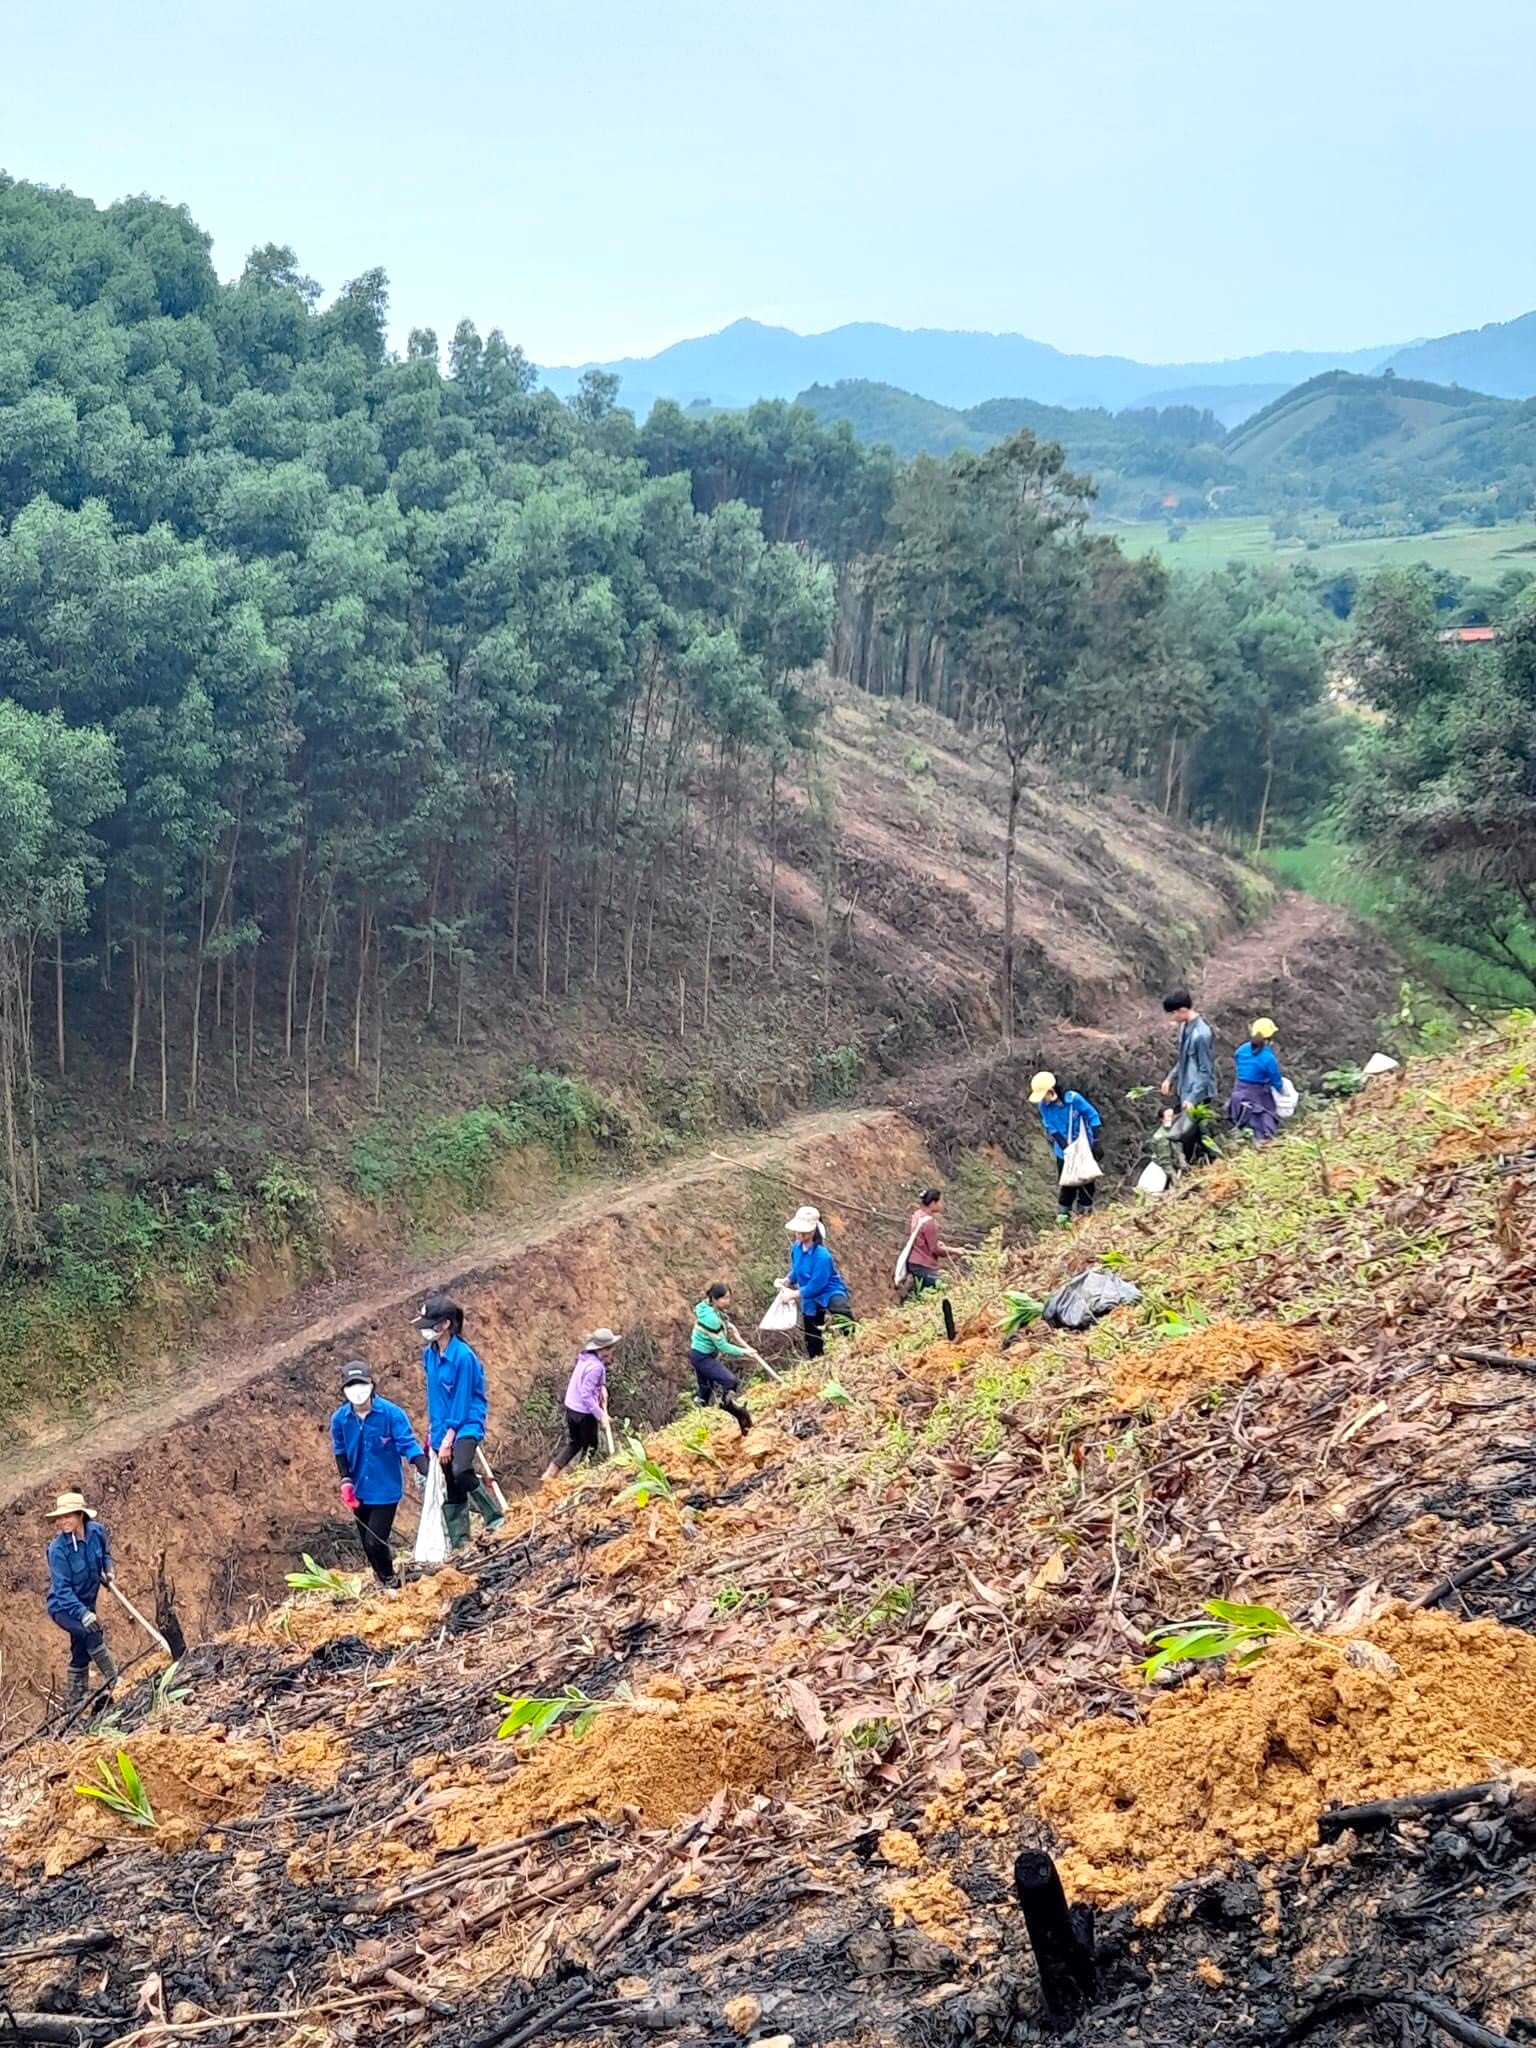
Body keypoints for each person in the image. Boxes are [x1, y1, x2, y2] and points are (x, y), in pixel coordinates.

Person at [330, 1362, 430, 1594]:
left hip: (386, 1490)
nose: (357, 1390)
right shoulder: (340, 1420)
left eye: (361, 1384)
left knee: (376, 1540)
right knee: (367, 1543)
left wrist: (426, 1468)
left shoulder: (391, 1414)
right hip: (359, 1489)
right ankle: (383, 1580)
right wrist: (345, 1479)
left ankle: (390, 1581)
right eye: (351, 1385)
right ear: (343, 1390)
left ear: (372, 1385)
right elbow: (340, 1450)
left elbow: (408, 1444)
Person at [416, 1294, 505, 1551]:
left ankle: (495, 1517)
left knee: (460, 1470)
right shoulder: (429, 1355)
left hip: (466, 1422)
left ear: (444, 1325)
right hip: (441, 1425)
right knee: (451, 1484)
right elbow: (435, 1395)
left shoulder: (463, 1357)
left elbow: (462, 1398)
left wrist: (449, 1437)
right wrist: (435, 1432)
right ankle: (460, 1541)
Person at [45, 1491, 118, 1705]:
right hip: (64, 1608)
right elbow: (62, 1590)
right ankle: (115, 1680)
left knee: (81, 1648)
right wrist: (83, 1613)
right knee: (93, 1632)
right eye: (59, 1518)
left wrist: (108, 1570)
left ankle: (76, 1700)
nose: (62, 1521)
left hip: (87, 1603)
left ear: (80, 1515)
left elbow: (105, 1554)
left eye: (67, 1516)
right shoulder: (57, 1550)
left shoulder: (97, 1532)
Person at [779, 1205, 855, 1360]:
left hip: (828, 1290)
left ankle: (856, 1342)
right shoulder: (796, 1249)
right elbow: (798, 1269)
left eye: (803, 1231)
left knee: (841, 1312)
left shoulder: (822, 1256)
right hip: (809, 1295)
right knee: (811, 1332)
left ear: (813, 1231)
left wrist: (793, 1294)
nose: (799, 1234)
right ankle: (817, 1360)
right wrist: (788, 1279)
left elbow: (817, 1285)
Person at [1029, 1072, 1103, 1226]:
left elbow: (1092, 1115)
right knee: (1067, 1184)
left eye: (1044, 1095)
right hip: (1064, 1152)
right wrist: (1068, 1149)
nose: (1044, 1099)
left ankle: (1085, 1217)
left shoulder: (1073, 1099)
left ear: (1051, 1090)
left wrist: (1096, 1141)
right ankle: (1064, 1218)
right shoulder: (1044, 1107)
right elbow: (1051, 1128)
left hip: (1084, 1148)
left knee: (1087, 1182)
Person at [544, 1329, 619, 1476]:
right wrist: (601, 1415)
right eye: (609, 1348)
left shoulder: (585, 1358)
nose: (611, 1351)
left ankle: (550, 1473)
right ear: (602, 1350)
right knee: (591, 1446)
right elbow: (586, 1395)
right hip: (584, 1413)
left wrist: (602, 1387)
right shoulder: (596, 1367)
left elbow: (593, 1381)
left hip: (571, 1408)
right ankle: (581, 1475)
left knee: (575, 1442)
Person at [1161, 990, 1216, 1166]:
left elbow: (1205, 1071)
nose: (1173, 1017)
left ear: (1183, 1010)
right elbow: (1183, 1059)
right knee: (1191, 1135)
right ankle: (1200, 1166)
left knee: (1190, 1136)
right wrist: (1170, 1078)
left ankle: (1204, 1166)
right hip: (1186, 1090)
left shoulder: (1201, 1034)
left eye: (1174, 1013)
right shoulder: (1185, 1027)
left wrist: (1192, 1098)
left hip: (1198, 1093)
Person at [689, 1284, 753, 1434]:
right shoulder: (711, 1319)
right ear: (714, 1299)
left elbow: (720, 1319)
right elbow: (723, 1346)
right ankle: (728, 1406)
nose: (728, 1301)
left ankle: (702, 1426)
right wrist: (745, 1352)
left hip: (702, 1354)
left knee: (704, 1393)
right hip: (701, 1357)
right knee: (730, 1381)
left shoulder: (705, 1306)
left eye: (729, 1297)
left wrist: (728, 1325)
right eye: (724, 1298)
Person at [1227, 1016, 1286, 1144]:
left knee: (1243, 1127)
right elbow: (1276, 1082)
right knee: (1263, 1128)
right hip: (1258, 1096)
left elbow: (1239, 1063)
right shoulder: (1268, 1058)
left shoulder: (1241, 1050)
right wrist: (1283, 1093)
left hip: (1239, 1093)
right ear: (1269, 1039)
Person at [902, 1187, 956, 1294]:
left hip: (913, 1262)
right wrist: (955, 1251)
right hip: (924, 1265)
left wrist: (938, 1243)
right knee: (943, 1289)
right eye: (939, 1201)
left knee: (922, 1292)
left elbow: (921, 1239)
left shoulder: (917, 1215)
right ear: (932, 1203)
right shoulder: (929, 1222)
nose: (941, 1205)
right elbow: (935, 1250)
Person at [1148, 1104, 1183, 1180]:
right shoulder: (1162, 1137)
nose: (1173, 1118)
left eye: (1173, 1115)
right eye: (1169, 1116)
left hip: (1177, 1165)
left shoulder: (1174, 1130)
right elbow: (1165, 1162)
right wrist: (1175, 1179)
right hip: (1164, 1171)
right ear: (1162, 1119)